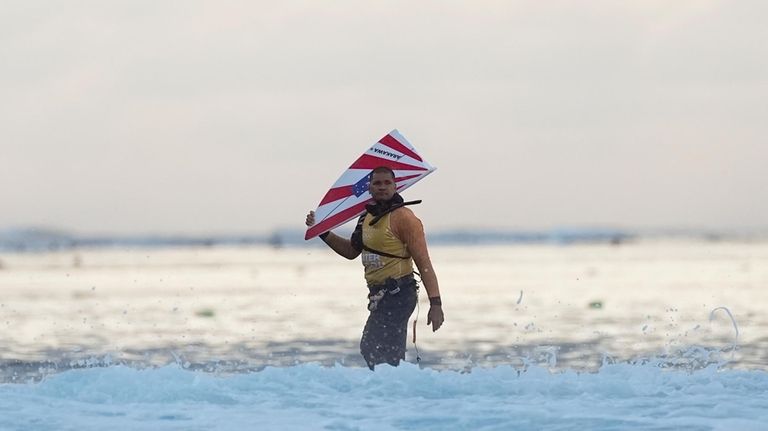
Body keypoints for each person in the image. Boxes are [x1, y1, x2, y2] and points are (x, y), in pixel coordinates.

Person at [305, 166, 444, 370]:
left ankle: (393, 393)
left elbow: (424, 264)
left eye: (387, 183)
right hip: (378, 297)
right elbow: (351, 251)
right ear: (369, 188)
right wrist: (322, 231)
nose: (382, 187)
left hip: (400, 294)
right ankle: (393, 391)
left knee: (376, 348)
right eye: (377, 183)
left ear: (396, 186)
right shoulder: (365, 218)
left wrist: (436, 304)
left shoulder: (405, 218)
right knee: (374, 349)